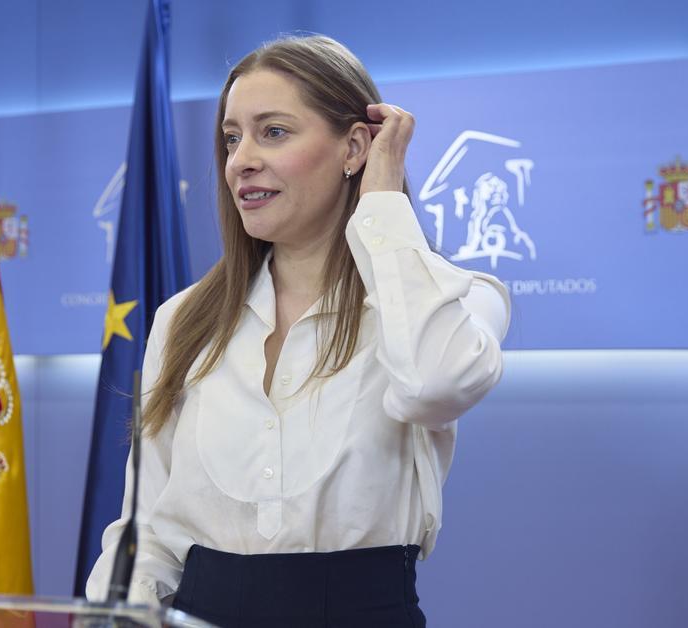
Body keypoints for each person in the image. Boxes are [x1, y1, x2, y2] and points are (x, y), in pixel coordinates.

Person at [86, 34, 510, 627]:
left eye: (274, 132)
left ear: (354, 148)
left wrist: (382, 202)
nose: (241, 159)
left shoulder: (457, 299)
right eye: (232, 138)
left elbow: (434, 385)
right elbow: (148, 526)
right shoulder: (183, 319)